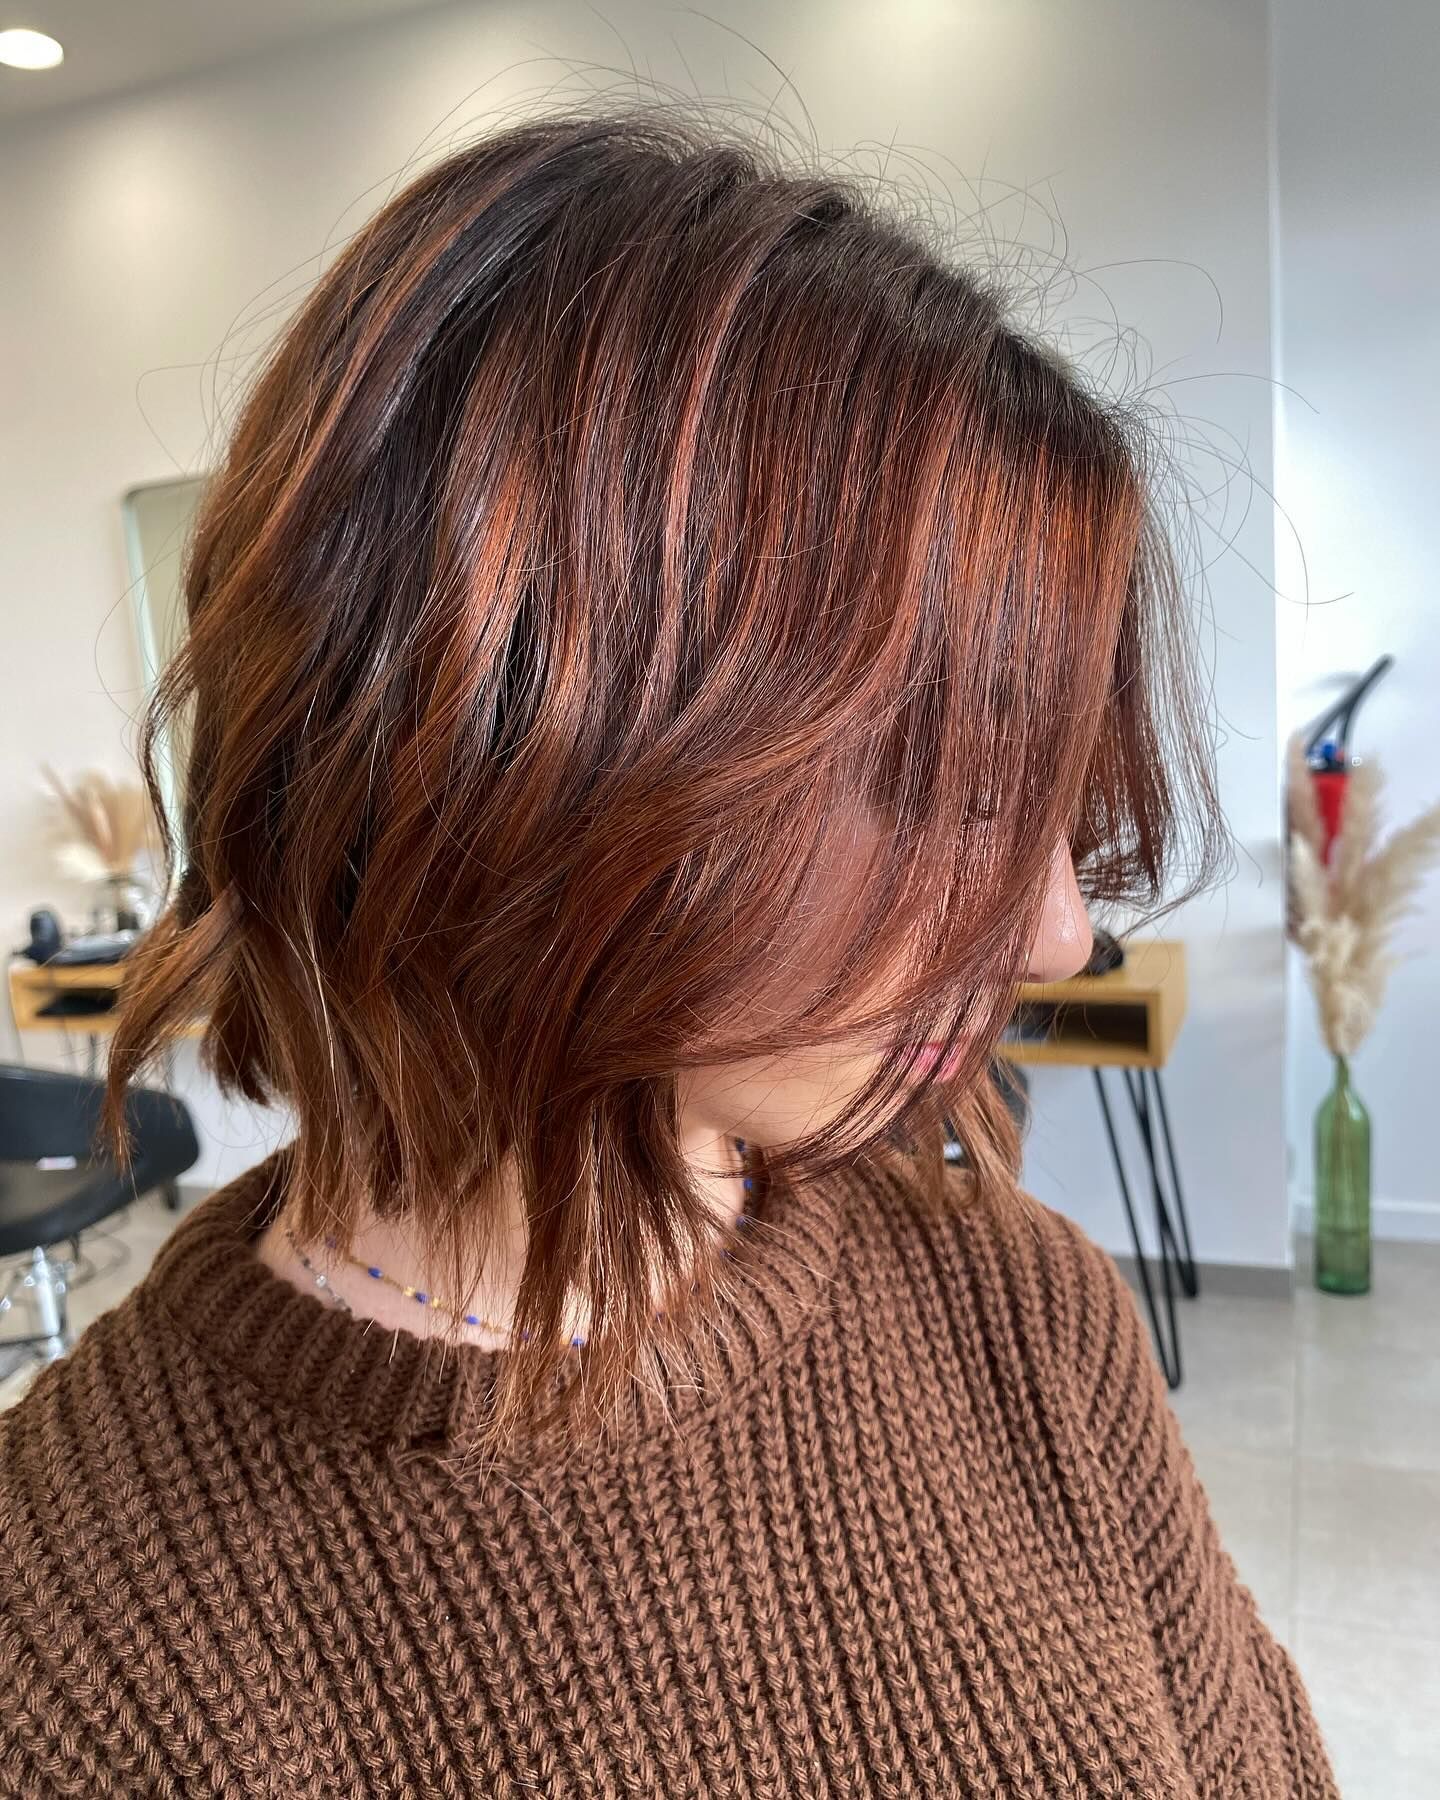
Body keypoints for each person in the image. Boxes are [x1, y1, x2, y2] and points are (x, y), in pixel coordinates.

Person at [0, 108, 1337, 1797]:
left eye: (1063, 806)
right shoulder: (70, 1661)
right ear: (520, 749)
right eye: (952, 786)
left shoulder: (1018, 1307)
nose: (1062, 928)